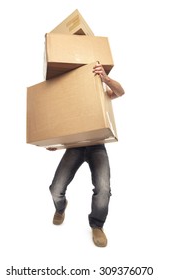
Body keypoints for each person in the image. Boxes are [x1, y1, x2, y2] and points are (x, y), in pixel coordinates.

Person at [47, 63, 125, 247]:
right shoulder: (67, 102)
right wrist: (54, 143)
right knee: (55, 189)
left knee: (103, 188)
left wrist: (105, 79)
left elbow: (121, 92)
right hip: (75, 146)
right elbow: (55, 124)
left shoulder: (99, 93)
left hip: (97, 145)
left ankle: (97, 225)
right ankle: (61, 207)